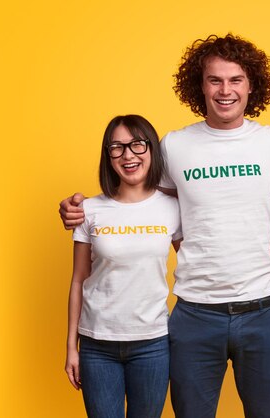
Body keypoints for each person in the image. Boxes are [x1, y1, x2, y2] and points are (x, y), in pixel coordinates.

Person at [59, 34, 270, 418]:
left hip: (263, 310)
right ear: (199, 85)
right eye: (215, 80)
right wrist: (83, 208)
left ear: (251, 85)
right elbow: (137, 197)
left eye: (235, 79)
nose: (226, 90)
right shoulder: (174, 146)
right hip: (195, 315)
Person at [64, 115, 182, 418]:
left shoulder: (172, 208)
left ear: (152, 149)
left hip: (152, 343)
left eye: (137, 145)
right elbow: (78, 280)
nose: (128, 155)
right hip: (97, 345)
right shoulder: (88, 210)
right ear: (109, 156)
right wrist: (71, 348)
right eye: (117, 147)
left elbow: (195, 264)